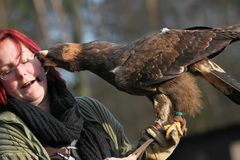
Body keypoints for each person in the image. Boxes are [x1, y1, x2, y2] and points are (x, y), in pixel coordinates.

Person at [0, 29, 185, 160]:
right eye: (6, 71)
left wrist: (147, 154)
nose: (21, 73)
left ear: (43, 60)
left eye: (25, 60)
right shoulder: (7, 134)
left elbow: (125, 154)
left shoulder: (89, 109)